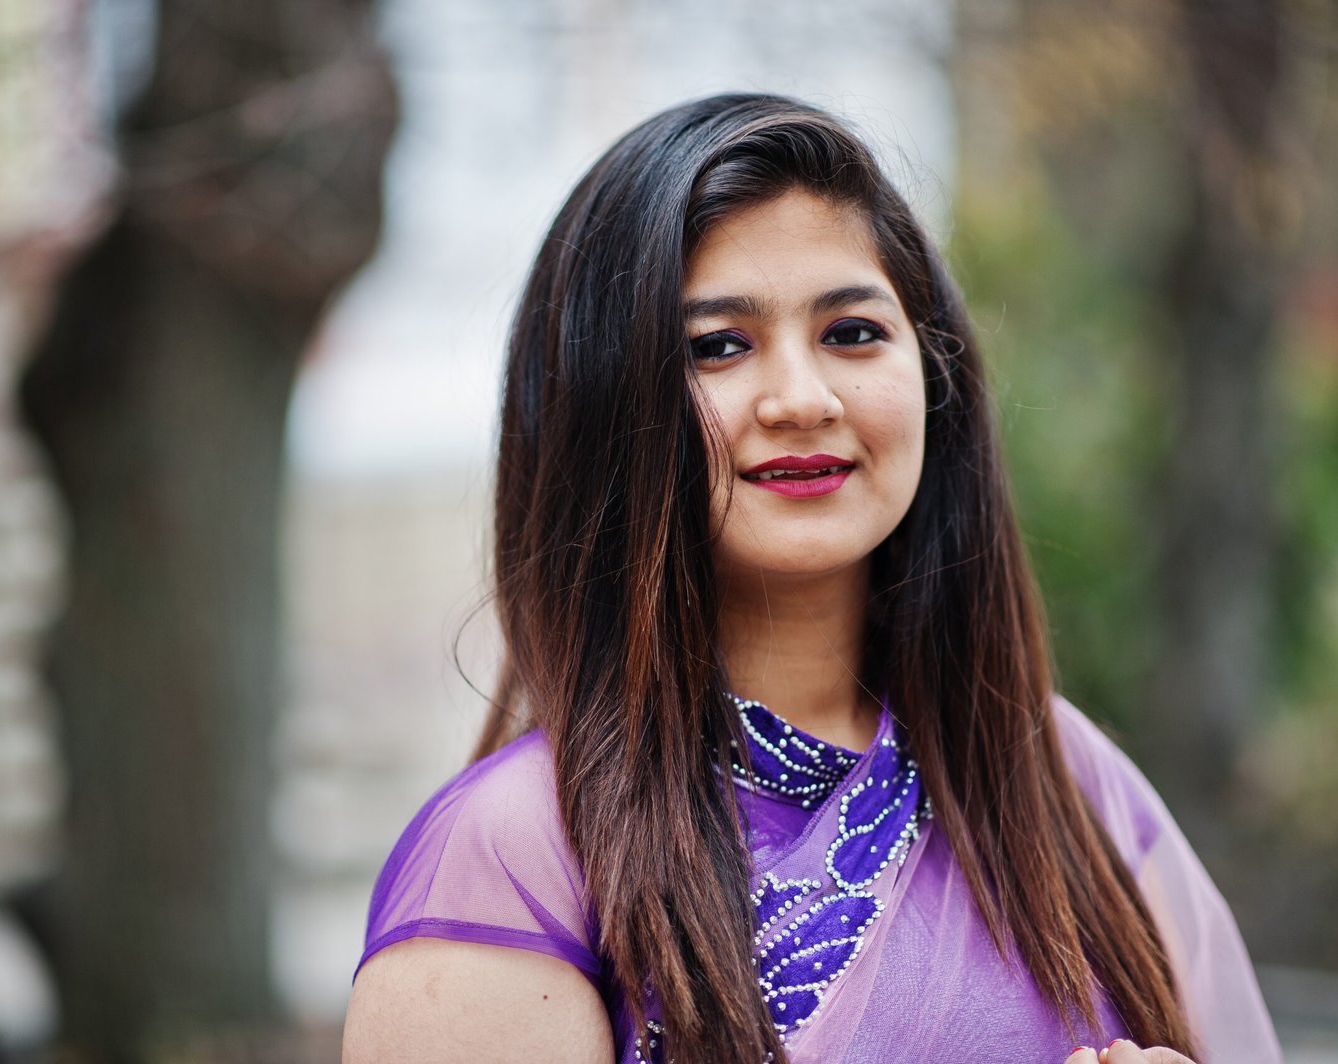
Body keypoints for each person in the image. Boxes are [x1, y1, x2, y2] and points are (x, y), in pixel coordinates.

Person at [341, 93, 1282, 1064]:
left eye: (851, 332)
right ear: (597, 403)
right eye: (717, 346)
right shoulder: (515, 855)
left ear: (933, 375)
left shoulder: (1058, 778)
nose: (801, 397)